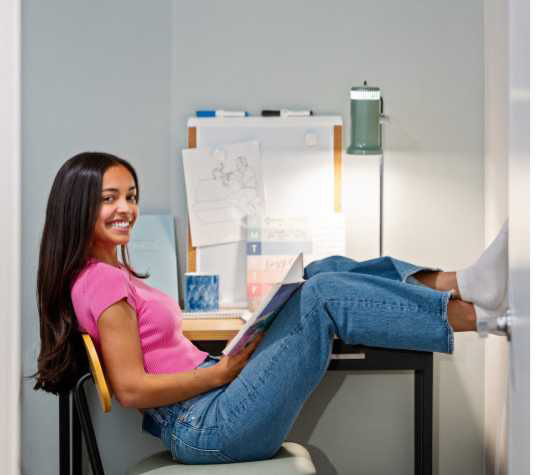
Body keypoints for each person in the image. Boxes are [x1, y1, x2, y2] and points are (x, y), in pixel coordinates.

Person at [34, 152, 508, 464]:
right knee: (321, 296)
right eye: (109, 199)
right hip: (206, 424)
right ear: (78, 207)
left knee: (323, 269)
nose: (127, 209)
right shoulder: (100, 282)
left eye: (131, 197)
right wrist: (220, 375)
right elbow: (132, 389)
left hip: (211, 405)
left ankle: (461, 283)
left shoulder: (102, 276)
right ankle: (474, 314)